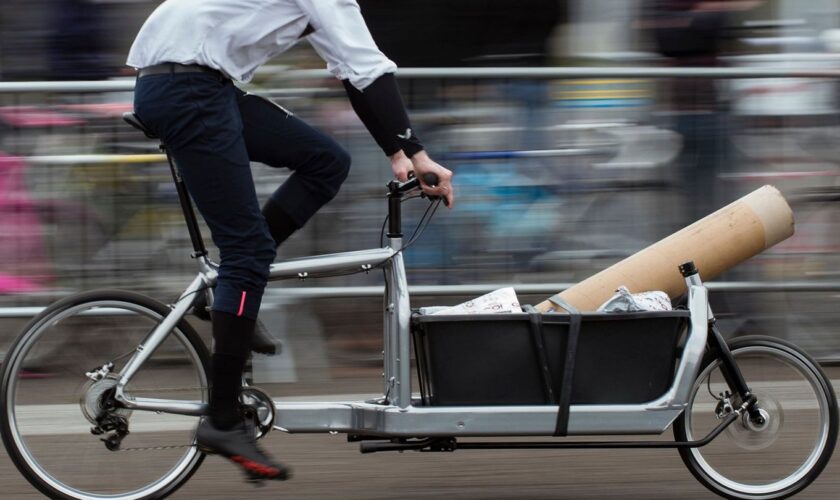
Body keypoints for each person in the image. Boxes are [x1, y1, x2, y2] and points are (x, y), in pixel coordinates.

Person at [126, 0, 454, 482]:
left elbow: (351, 68)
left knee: (326, 161)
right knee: (247, 252)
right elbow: (366, 67)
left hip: (195, 84)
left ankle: (231, 285)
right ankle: (221, 419)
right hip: (188, 88)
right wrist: (419, 152)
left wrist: (398, 152)